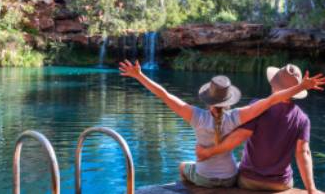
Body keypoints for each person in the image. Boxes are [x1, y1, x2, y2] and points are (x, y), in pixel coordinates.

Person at [119, 60, 325, 188]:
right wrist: (300, 86)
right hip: (238, 179)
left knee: (183, 166)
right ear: (229, 100)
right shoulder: (237, 116)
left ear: (207, 99)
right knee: (234, 166)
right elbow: (273, 100)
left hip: (217, 179)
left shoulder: (195, 116)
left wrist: (139, 75)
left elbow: (164, 95)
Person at [196, 64, 324, 193]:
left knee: (234, 168)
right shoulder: (302, 119)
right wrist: (311, 189)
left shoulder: (259, 107)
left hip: (249, 181)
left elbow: (238, 137)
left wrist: (209, 152)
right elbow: (303, 153)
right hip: (280, 184)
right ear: (296, 93)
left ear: (274, 84)